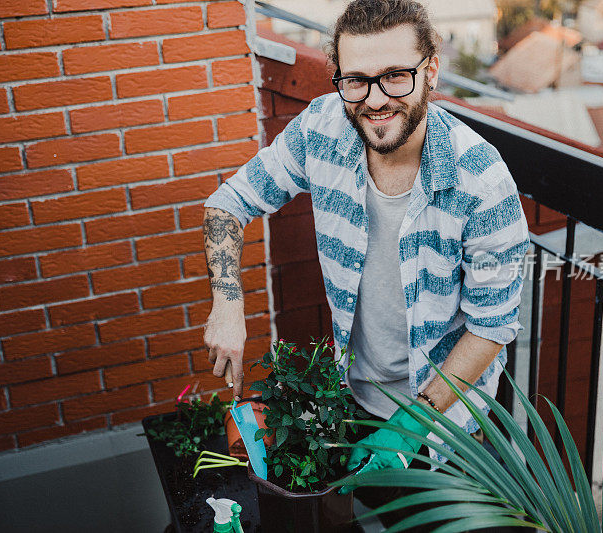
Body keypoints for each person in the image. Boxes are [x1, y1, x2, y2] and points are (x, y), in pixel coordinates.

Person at [202, 0, 530, 478]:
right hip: (352, 398)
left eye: (396, 75)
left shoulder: (481, 181)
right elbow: (228, 204)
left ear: (431, 70)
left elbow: (492, 326)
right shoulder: (322, 128)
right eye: (356, 81)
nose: (375, 99)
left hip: (447, 426)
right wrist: (228, 306)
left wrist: (409, 424)